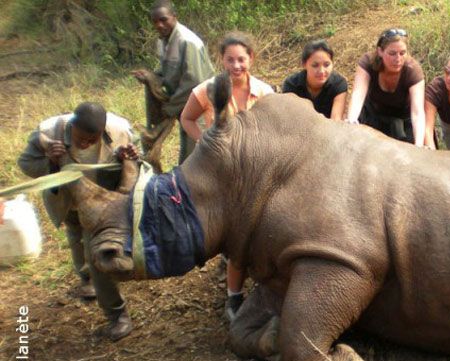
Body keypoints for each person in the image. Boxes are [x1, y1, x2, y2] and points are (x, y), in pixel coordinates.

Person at [18, 102, 140, 341]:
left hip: (101, 204)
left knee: (97, 256)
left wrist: (128, 158)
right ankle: (87, 280)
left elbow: (139, 160)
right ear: (71, 126)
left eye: (91, 140)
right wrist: (51, 162)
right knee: (75, 239)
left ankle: (118, 317)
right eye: (80, 139)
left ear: (102, 131)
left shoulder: (120, 130)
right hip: (68, 201)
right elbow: (26, 165)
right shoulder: (48, 132)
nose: (85, 144)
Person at [180, 31, 274, 322]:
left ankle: (258, 282)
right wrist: (205, 141)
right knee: (235, 234)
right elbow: (186, 119)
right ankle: (233, 297)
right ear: (221, 59)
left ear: (251, 59)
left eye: (241, 59)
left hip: (254, 169)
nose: (236, 66)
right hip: (221, 171)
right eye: (230, 59)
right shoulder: (207, 89)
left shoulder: (265, 92)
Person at [131, 0, 215, 165]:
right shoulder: (163, 41)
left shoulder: (187, 41)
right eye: (155, 21)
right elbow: (167, 70)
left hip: (199, 104)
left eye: (164, 19)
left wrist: (170, 108)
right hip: (182, 102)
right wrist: (151, 76)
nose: (159, 25)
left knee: (195, 156)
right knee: (183, 150)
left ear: (174, 17)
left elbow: (194, 81)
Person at [346, 28, 426, 146]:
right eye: (392, 53)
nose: (398, 59)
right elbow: (358, 94)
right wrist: (352, 120)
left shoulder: (413, 71)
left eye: (402, 53)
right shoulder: (368, 62)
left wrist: (419, 144)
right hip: (374, 116)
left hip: (404, 121)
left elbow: (417, 112)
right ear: (380, 51)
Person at [282, 40, 348, 120]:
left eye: (326, 65)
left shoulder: (339, 84)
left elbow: (336, 120)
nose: (321, 71)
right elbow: (289, 118)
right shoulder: (291, 85)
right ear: (304, 65)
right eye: (315, 65)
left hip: (328, 129)